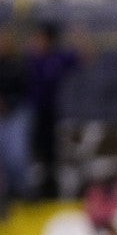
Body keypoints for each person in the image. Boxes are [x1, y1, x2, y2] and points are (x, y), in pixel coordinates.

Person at [27, 20, 87, 199]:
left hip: (50, 111)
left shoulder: (57, 58)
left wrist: (79, 36)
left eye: (40, 38)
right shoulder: (30, 59)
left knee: (50, 152)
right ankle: (33, 188)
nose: (37, 42)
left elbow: (85, 57)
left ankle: (50, 189)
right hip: (31, 112)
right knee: (34, 152)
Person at [0, 24, 31, 201]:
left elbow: (24, 88)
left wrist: (8, 102)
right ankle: (5, 192)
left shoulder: (19, 64)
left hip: (17, 113)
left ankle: (21, 190)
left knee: (16, 154)